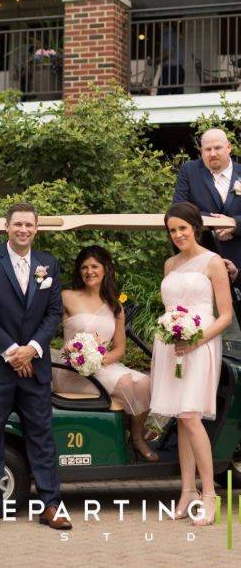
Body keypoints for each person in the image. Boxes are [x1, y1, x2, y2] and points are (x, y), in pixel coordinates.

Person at [0, 202, 70, 532]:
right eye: (18, 224)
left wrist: (33, 350)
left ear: (36, 228)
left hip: (35, 365)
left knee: (41, 434)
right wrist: (13, 353)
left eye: (29, 225)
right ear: (8, 227)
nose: (23, 229)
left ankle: (50, 505)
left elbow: (53, 313)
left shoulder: (48, 264)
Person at [150, 202, 231, 526]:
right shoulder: (170, 264)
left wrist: (196, 339)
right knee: (180, 418)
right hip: (173, 347)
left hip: (201, 346)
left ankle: (209, 493)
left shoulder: (212, 263)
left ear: (195, 227)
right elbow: (172, 305)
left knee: (191, 416)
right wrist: (171, 333)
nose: (178, 234)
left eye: (183, 228)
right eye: (172, 230)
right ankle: (187, 491)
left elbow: (225, 315)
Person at [51, 246, 158, 460]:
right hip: (71, 370)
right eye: (84, 267)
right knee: (127, 383)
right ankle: (134, 431)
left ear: (105, 269)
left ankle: (136, 436)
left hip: (101, 366)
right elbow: (45, 326)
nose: (89, 271)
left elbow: (119, 348)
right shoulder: (67, 296)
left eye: (94, 266)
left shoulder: (114, 305)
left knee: (145, 382)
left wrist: (98, 360)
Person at [173, 128, 241, 279]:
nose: (213, 153)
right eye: (207, 149)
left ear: (229, 147)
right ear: (201, 151)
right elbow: (178, 209)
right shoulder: (189, 171)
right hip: (203, 262)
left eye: (217, 148)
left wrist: (234, 223)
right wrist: (213, 222)